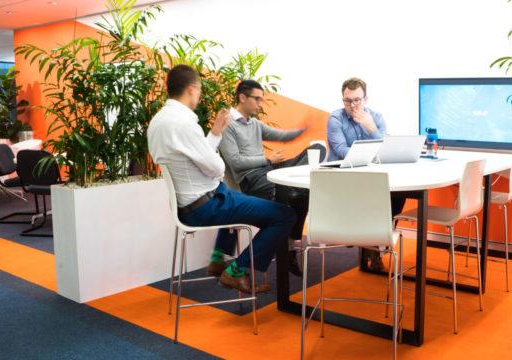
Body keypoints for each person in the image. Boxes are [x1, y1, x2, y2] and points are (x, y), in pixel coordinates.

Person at [148, 64, 296, 293]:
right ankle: (236, 271)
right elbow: (216, 167)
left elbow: (199, 160)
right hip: (206, 204)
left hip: (193, 202)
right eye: (198, 90)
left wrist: (215, 134)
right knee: (285, 215)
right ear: (192, 88)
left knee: (244, 200)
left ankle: (220, 260)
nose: (199, 95)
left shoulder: (159, 121)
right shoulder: (183, 124)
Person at [219, 80, 326, 277]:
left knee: (317, 150)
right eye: (257, 98)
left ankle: (290, 244)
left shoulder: (255, 124)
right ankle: (290, 245)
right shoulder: (228, 126)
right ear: (242, 97)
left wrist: (305, 128)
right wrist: (266, 158)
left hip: (269, 172)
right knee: (298, 194)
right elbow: (234, 162)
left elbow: (283, 136)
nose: (260, 103)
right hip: (252, 180)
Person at [327, 77, 406, 271]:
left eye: (357, 100)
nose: (352, 105)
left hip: (369, 174)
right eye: (348, 100)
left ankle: (378, 240)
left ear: (366, 99)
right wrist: (371, 155)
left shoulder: (376, 117)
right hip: (343, 175)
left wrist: (371, 127)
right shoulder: (336, 118)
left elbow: (386, 148)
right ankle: (371, 243)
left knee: (397, 195)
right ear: (342, 99)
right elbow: (340, 150)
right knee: (371, 195)